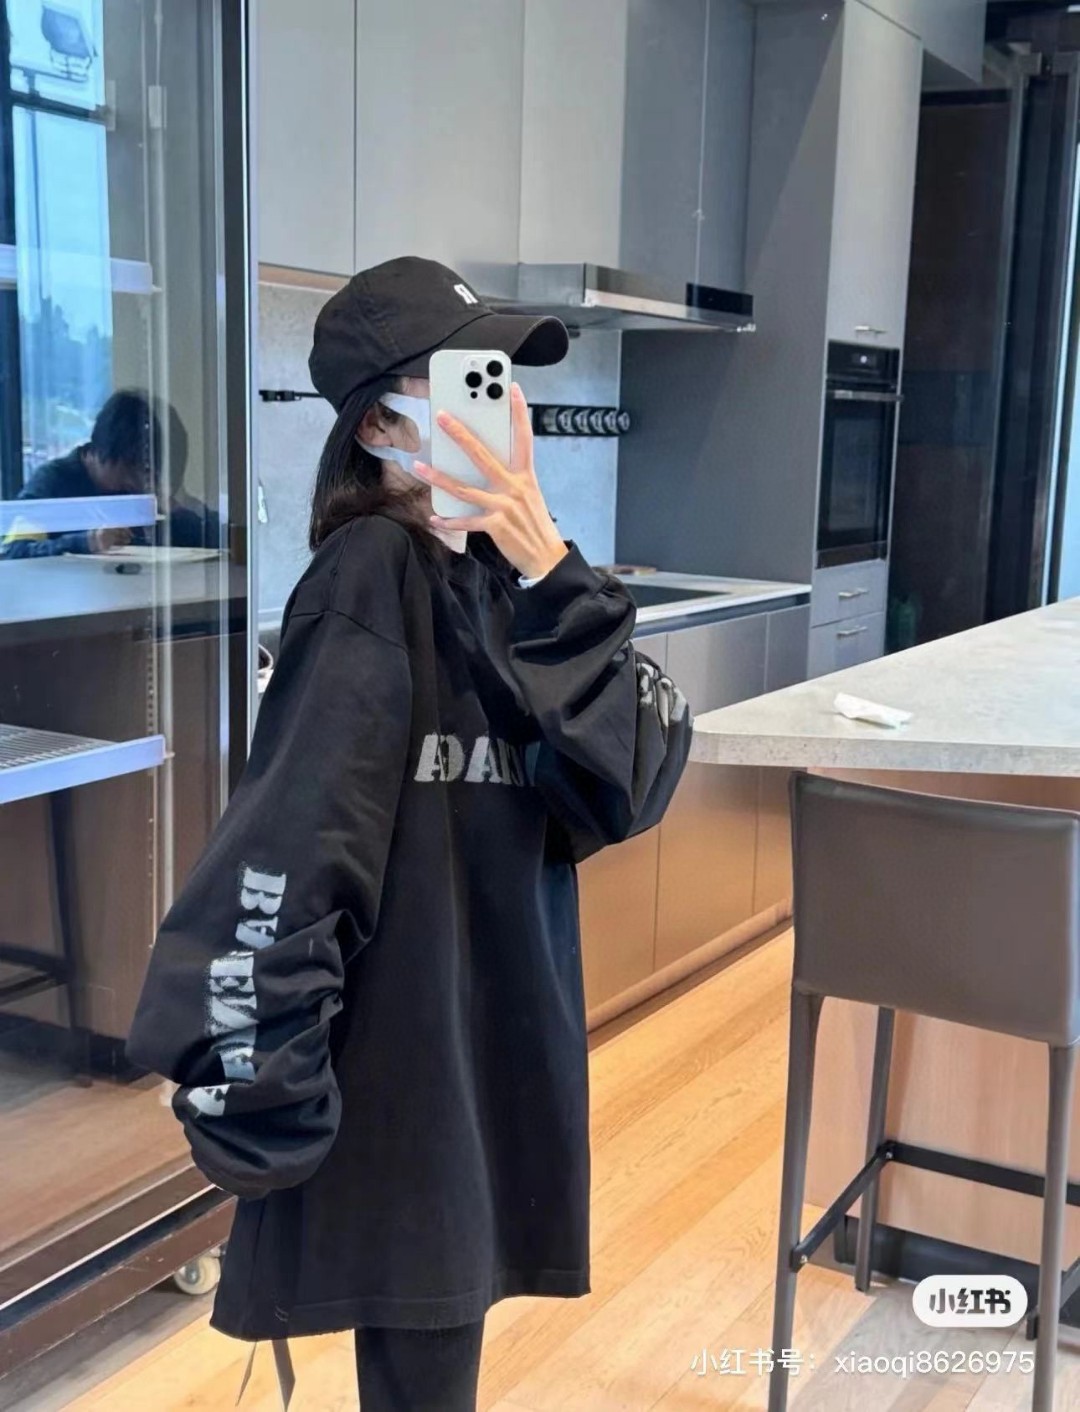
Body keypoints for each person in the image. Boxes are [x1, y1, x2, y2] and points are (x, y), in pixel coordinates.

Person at [125, 257, 693, 1411]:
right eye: (472, 378)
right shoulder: (369, 579)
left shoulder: (506, 582)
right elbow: (289, 852)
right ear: (381, 425)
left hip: (484, 1054)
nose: (506, 406)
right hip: (406, 1078)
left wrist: (550, 567)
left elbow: (625, 785)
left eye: (508, 380)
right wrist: (262, 1091)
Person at [0, 389, 216, 558]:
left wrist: (175, 510)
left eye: (144, 468)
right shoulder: (53, 481)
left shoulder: (139, 491)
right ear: (103, 451)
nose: (135, 480)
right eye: (129, 467)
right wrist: (86, 542)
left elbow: (215, 538)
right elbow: (15, 552)